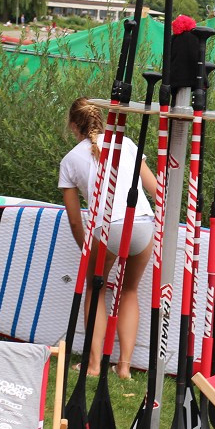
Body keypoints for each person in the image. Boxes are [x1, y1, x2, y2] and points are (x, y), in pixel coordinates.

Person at [59, 97, 156, 379]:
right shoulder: (125, 144)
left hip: (107, 228)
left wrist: (86, 249)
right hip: (142, 223)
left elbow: (76, 220)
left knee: (96, 287)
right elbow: (155, 189)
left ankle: (93, 365)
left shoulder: (70, 160)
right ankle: (124, 367)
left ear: (73, 126)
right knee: (129, 291)